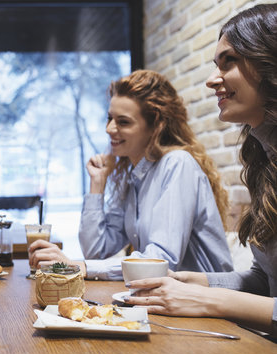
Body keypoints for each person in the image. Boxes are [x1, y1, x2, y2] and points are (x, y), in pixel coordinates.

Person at [124, 4, 277, 337]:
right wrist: (196, 281)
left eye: (229, 61)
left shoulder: (177, 163)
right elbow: (264, 282)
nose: (211, 80)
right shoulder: (265, 161)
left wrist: (209, 299)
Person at [29, 69, 233, 280]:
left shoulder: (177, 164)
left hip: (207, 304)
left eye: (123, 122)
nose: (109, 128)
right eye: (109, 119)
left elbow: (161, 261)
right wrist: (97, 184)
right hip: (168, 299)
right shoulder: (134, 177)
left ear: (155, 126)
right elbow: (97, 251)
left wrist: (82, 266)